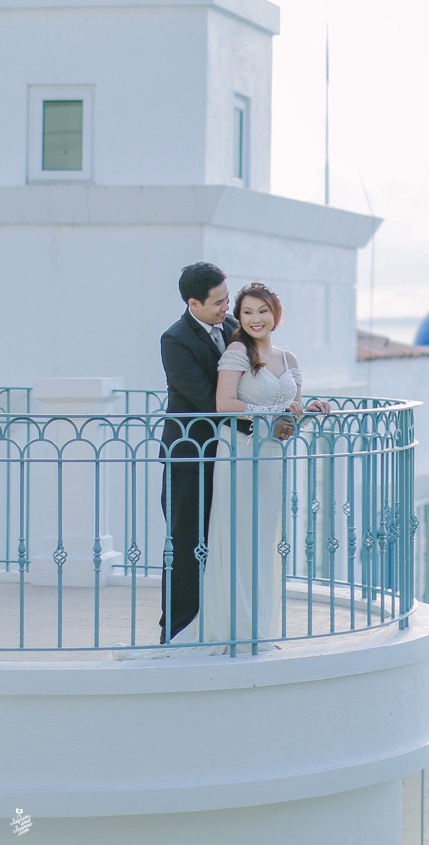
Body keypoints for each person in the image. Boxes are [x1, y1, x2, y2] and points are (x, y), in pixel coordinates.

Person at [180, 282, 329, 653]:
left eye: (262, 311)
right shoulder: (236, 352)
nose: (255, 319)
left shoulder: (289, 359)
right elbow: (224, 404)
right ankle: (235, 627)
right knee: (237, 538)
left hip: (272, 458)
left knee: (263, 542)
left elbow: (287, 422)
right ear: (240, 317)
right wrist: (270, 412)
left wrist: (309, 412)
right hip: (239, 454)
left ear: (275, 314)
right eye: (247, 312)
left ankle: (258, 627)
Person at [158, 261, 237, 644]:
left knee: (222, 539)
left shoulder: (233, 325)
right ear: (193, 303)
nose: (227, 307)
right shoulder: (174, 340)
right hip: (189, 456)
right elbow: (207, 400)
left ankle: (218, 622)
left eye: (227, 298)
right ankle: (174, 630)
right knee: (185, 543)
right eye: (219, 302)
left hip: (226, 454)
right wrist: (260, 420)